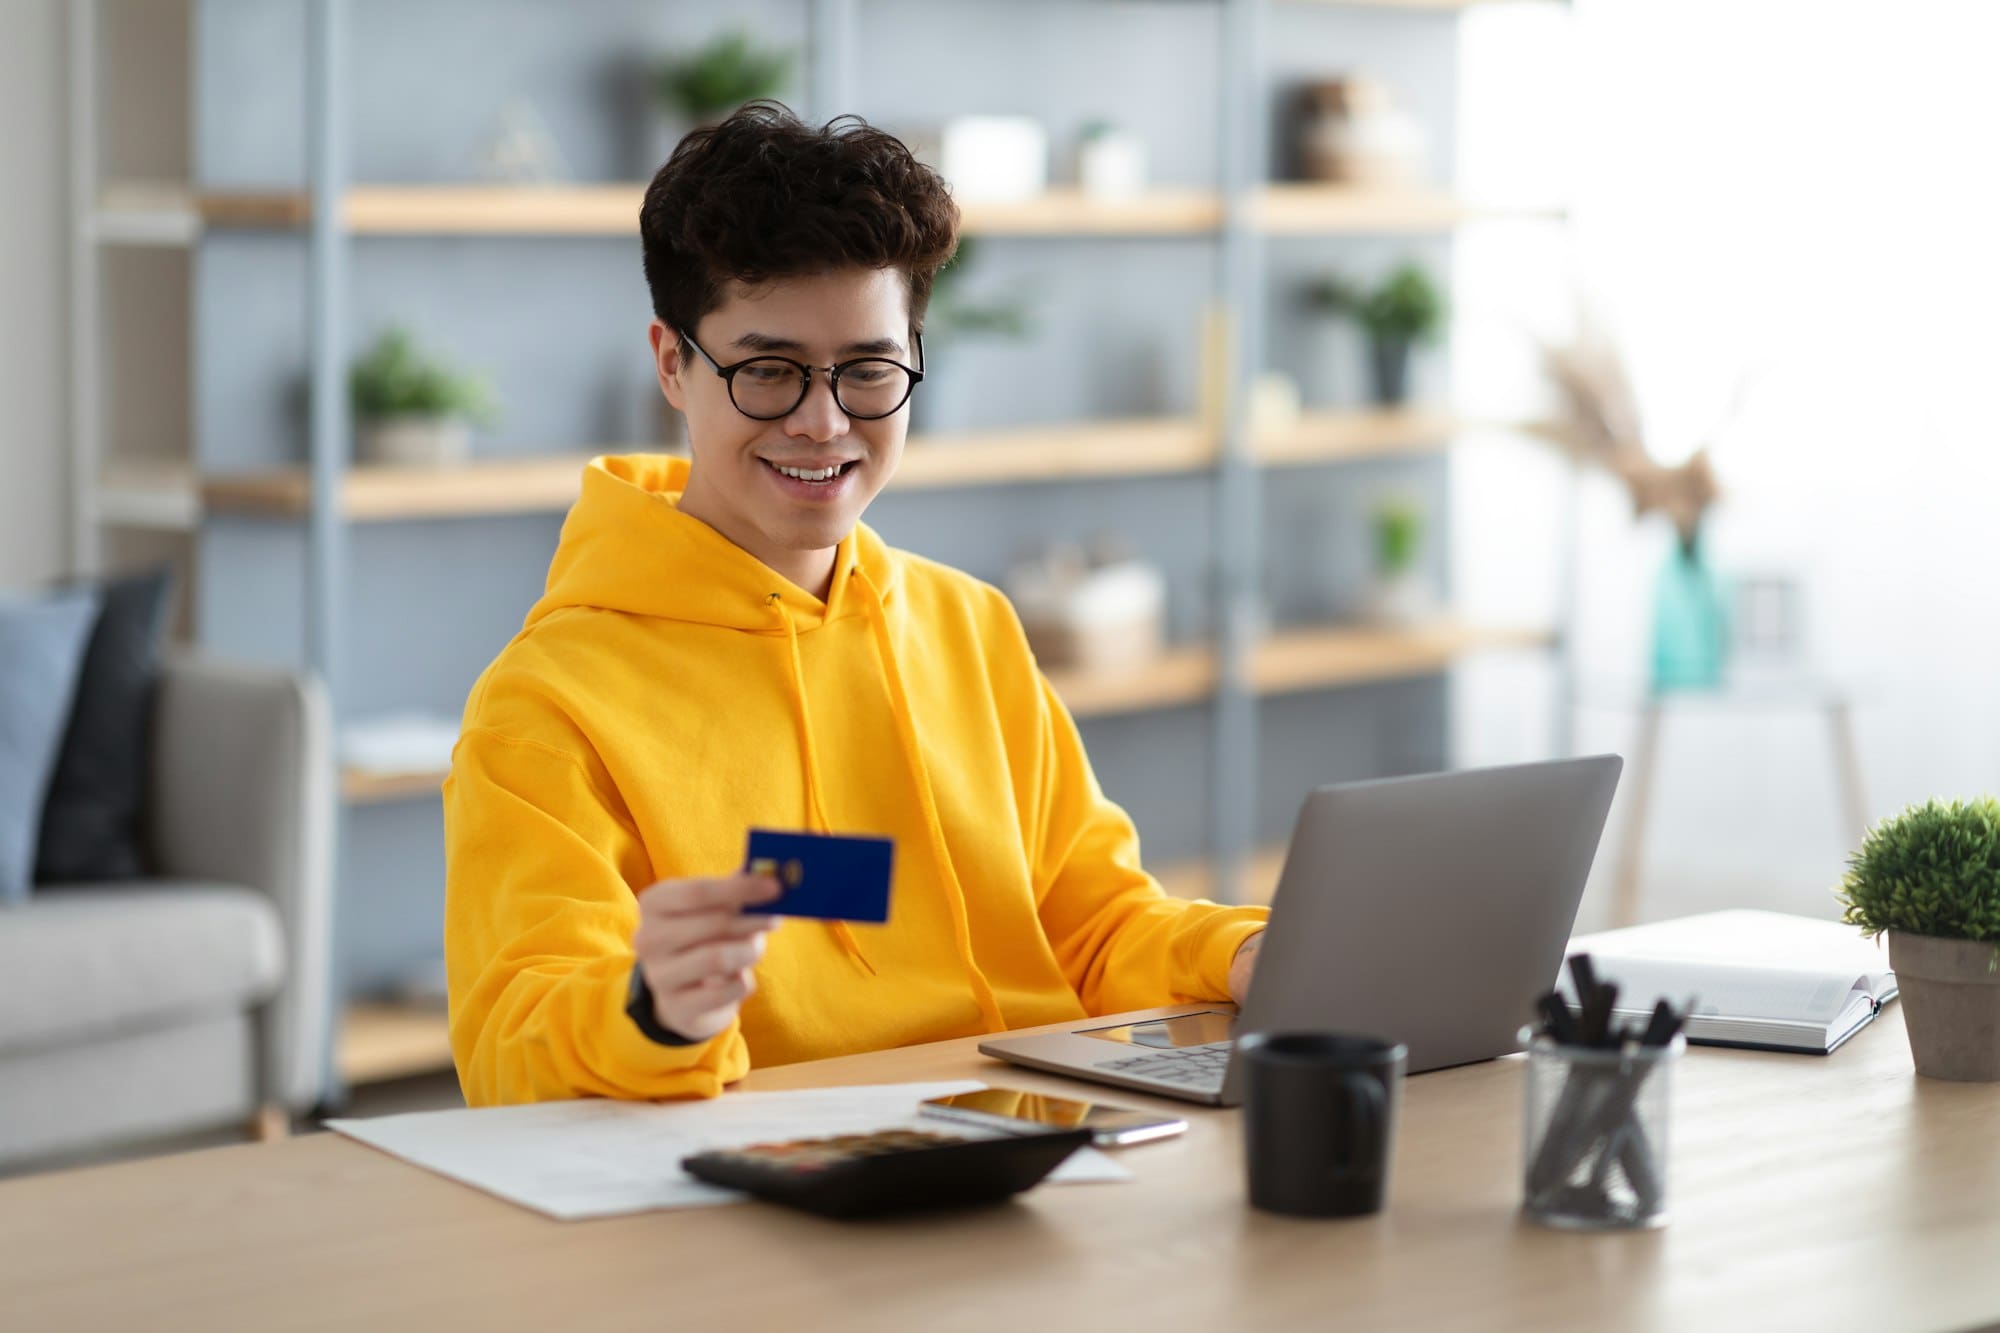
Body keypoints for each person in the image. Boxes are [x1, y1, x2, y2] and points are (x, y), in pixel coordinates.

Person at [444, 102, 1268, 1106]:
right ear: (671, 362)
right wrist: (653, 1011)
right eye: (768, 372)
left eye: (868, 371)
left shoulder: (970, 627)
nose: (822, 422)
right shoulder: (544, 707)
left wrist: (1246, 955)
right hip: (771, 1191)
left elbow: (1090, 928)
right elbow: (512, 1044)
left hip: (1043, 1151)